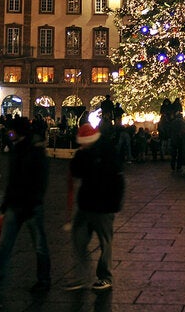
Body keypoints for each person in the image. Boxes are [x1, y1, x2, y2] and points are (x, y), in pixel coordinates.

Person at [0, 117, 51, 293]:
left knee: (39, 245)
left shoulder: (35, 151)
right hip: (16, 204)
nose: (9, 133)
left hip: (31, 206)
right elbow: (12, 180)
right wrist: (5, 205)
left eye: (12, 131)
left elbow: (40, 181)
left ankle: (44, 280)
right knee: (6, 244)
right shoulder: (17, 148)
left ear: (19, 132)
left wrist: (32, 201)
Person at [65, 122, 124, 292]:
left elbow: (117, 178)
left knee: (105, 242)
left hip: (104, 205)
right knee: (79, 239)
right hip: (86, 204)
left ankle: (105, 276)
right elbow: (76, 172)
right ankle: (81, 276)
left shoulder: (107, 151)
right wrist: (79, 156)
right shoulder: (83, 153)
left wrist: (114, 203)